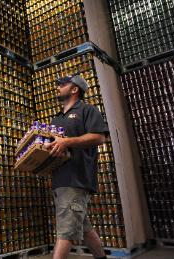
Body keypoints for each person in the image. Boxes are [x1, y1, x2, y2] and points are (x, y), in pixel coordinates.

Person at [44, 74, 109, 259]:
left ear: (74, 89)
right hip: (60, 178)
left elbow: (99, 137)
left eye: (62, 84)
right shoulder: (56, 119)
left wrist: (67, 142)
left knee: (65, 231)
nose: (58, 87)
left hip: (76, 178)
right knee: (85, 228)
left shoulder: (87, 110)